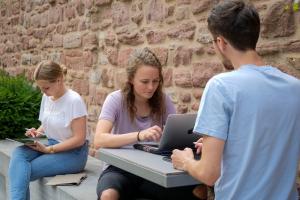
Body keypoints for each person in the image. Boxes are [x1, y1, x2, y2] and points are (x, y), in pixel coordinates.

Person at [171, 1, 300, 200]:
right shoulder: (294, 87)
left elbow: (209, 174)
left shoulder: (221, 86)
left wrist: (185, 161)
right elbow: (269, 141)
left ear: (221, 42)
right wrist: (228, 147)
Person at [94, 47, 198, 200]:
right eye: (144, 82)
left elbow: (177, 136)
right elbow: (99, 140)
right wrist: (139, 135)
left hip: (153, 170)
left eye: (155, 81)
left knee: (196, 191)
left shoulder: (163, 100)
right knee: (108, 195)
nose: (151, 87)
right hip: (119, 169)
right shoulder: (115, 99)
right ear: (131, 79)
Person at [8, 61, 89, 200]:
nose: (43, 92)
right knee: (18, 153)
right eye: (40, 88)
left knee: (22, 171)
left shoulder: (74, 101)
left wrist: (48, 150)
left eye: (46, 88)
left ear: (59, 80)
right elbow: (47, 123)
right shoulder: (47, 97)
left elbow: (79, 139)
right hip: (51, 144)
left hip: (73, 154)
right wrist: (37, 132)